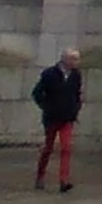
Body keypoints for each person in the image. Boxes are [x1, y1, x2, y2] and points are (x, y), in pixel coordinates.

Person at [30, 48, 82, 193]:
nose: (77, 62)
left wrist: (76, 108)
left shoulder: (76, 75)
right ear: (65, 59)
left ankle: (64, 180)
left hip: (67, 117)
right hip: (52, 117)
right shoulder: (49, 74)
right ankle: (40, 175)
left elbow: (77, 93)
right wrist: (47, 107)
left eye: (77, 59)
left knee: (66, 148)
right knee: (48, 148)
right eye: (74, 59)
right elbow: (37, 93)